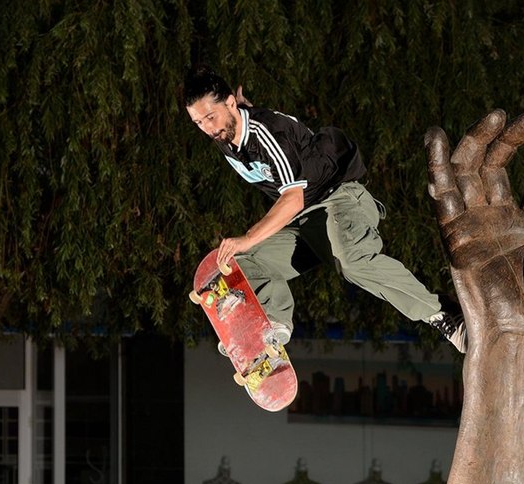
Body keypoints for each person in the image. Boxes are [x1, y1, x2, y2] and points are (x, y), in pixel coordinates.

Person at [182, 65, 465, 353]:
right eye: (198, 123)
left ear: (229, 103)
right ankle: (273, 324)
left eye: (210, 117)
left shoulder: (266, 134)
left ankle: (442, 313)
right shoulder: (226, 131)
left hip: (340, 200)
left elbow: (292, 198)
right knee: (240, 264)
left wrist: (249, 236)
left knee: (352, 262)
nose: (208, 128)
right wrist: (238, 109)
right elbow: (244, 125)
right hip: (308, 223)